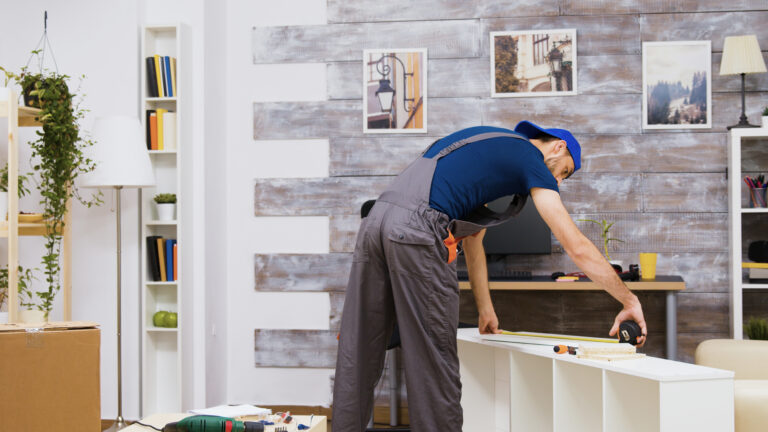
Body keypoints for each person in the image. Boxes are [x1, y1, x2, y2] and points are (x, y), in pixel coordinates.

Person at [332, 121, 648, 432]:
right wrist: (628, 299)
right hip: (416, 229)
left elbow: (473, 241)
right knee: (433, 363)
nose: (559, 182)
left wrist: (485, 309)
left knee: (358, 348)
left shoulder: (492, 147)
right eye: (564, 171)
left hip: (375, 222)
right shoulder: (530, 158)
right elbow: (575, 246)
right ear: (558, 147)